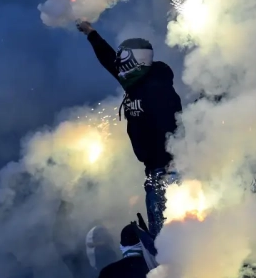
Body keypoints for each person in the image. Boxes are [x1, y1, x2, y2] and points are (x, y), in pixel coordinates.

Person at [76, 21, 182, 237]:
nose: (119, 66)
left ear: (138, 62)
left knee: (166, 237)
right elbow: (108, 60)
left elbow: (174, 130)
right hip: (154, 170)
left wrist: (169, 166)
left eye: (124, 61)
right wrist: (91, 33)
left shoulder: (158, 90)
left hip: (168, 172)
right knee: (161, 235)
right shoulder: (135, 83)